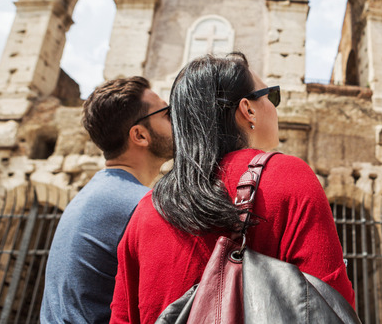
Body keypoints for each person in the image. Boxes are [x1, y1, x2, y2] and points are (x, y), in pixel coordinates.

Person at [110, 53, 356, 323]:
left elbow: (122, 317)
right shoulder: (288, 176)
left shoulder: (147, 208)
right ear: (247, 109)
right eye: (271, 97)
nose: (276, 107)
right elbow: (331, 304)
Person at [41, 77, 173, 323]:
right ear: (140, 136)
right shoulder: (141, 206)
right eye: (167, 113)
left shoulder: (91, 196)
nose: (175, 119)